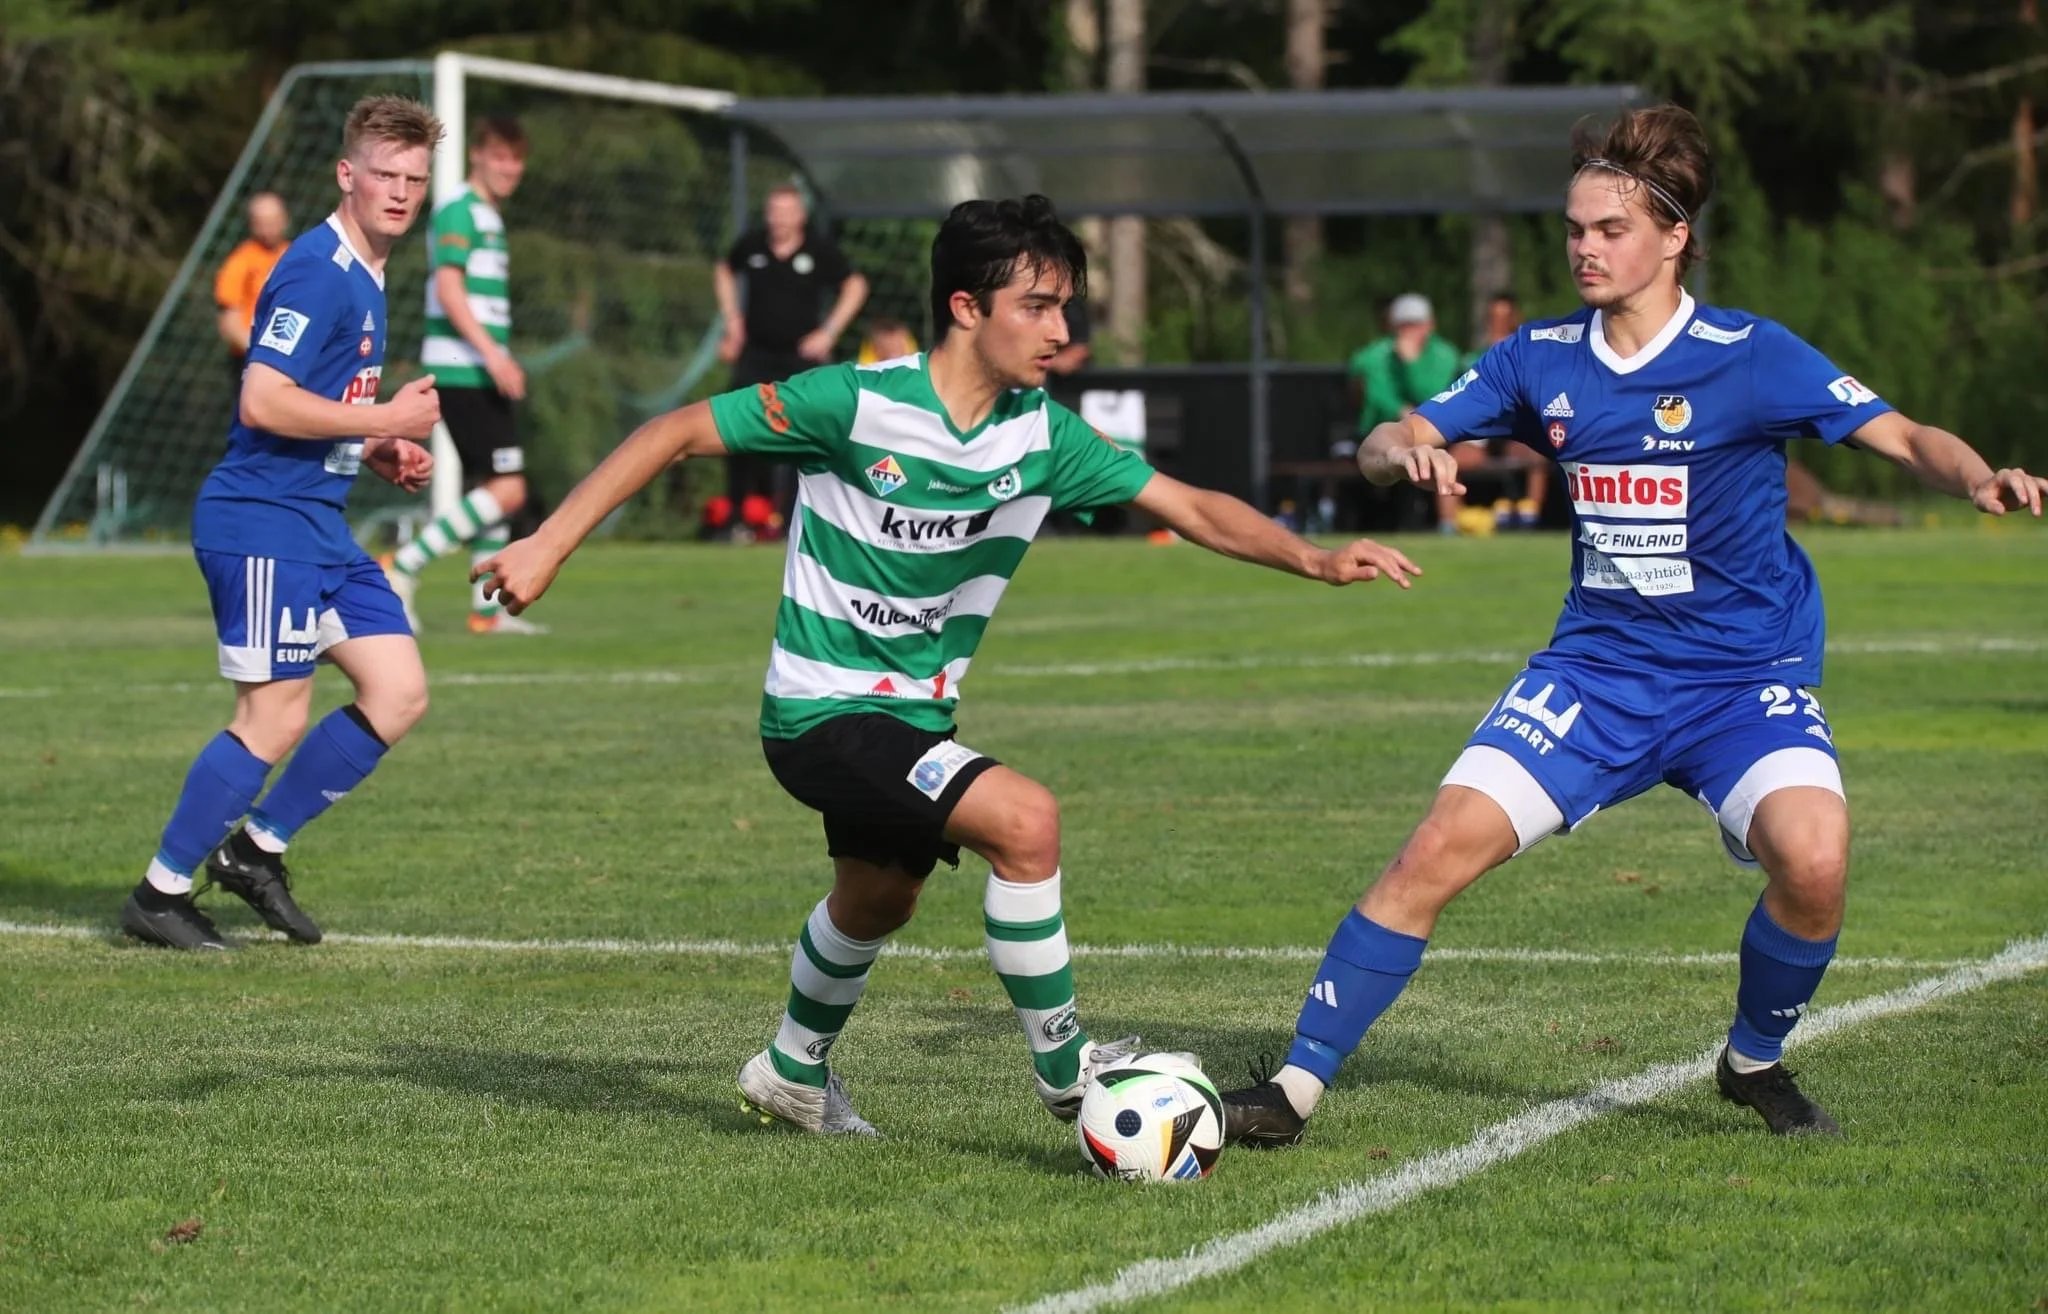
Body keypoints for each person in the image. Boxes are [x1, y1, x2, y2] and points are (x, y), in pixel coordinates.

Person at [474, 194, 1421, 1135]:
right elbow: (675, 431)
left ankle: (791, 1070)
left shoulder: (1041, 436)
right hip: (819, 710)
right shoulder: (853, 403)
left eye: (1064, 307)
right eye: (1037, 306)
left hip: (912, 719)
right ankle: (1066, 1070)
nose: (1060, 329)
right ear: (966, 307)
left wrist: (1316, 557)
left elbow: (1192, 506)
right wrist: (547, 545)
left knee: (880, 896)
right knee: (1026, 819)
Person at [1219, 104, 2046, 1146]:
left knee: (1816, 858)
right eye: (1572, 228)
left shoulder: (1749, 355)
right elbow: (1394, 433)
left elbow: (1902, 433)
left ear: (1672, 236)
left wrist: (1979, 475)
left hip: (1740, 679)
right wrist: (1405, 451)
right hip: (1596, 676)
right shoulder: (1539, 359)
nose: (1582, 248)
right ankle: (1290, 1091)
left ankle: (1751, 1063)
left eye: (1607, 230)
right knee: (1432, 850)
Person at [119, 96, 445, 951]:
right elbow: (262, 399)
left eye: (415, 179)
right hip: (261, 521)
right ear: (348, 174)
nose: (400, 192)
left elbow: (315, 403)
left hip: (318, 524)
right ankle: (158, 894)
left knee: (399, 691)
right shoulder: (315, 268)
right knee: (275, 718)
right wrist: (385, 423)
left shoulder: (369, 272)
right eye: (385, 174)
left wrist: (373, 448)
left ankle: (254, 851)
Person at [382, 115, 545, 634]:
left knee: (494, 485)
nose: (509, 168)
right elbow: (448, 288)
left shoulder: (488, 217)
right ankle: (402, 564)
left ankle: (487, 611)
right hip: (463, 370)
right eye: (499, 156)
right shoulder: (460, 210)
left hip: (479, 370)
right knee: (509, 489)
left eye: (516, 159)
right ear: (477, 155)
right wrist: (493, 355)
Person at [713, 184, 869, 540]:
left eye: (787, 212)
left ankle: (793, 516)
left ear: (800, 216)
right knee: (735, 428)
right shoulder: (752, 245)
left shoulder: (818, 249)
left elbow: (855, 285)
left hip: (800, 358)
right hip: (756, 354)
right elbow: (724, 270)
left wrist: (828, 332)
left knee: (805, 435)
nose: (779, 219)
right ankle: (736, 515)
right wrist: (732, 321)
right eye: (774, 211)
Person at [1456, 292, 1551, 530]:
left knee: (1537, 455)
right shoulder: (1473, 359)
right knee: (1451, 459)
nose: (1498, 323)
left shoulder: (1529, 355)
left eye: (1504, 317)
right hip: (1483, 428)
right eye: (1493, 318)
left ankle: (1530, 517)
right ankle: (1452, 522)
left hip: (1515, 426)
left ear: (1514, 319)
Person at [214, 192, 291, 390]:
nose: (269, 228)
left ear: (285, 220)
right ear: (252, 224)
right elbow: (229, 322)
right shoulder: (240, 262)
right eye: (262, 222)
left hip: (292, 358)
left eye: (273, 221)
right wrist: (262, 354)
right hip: (253, 361)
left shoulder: (296, 256)